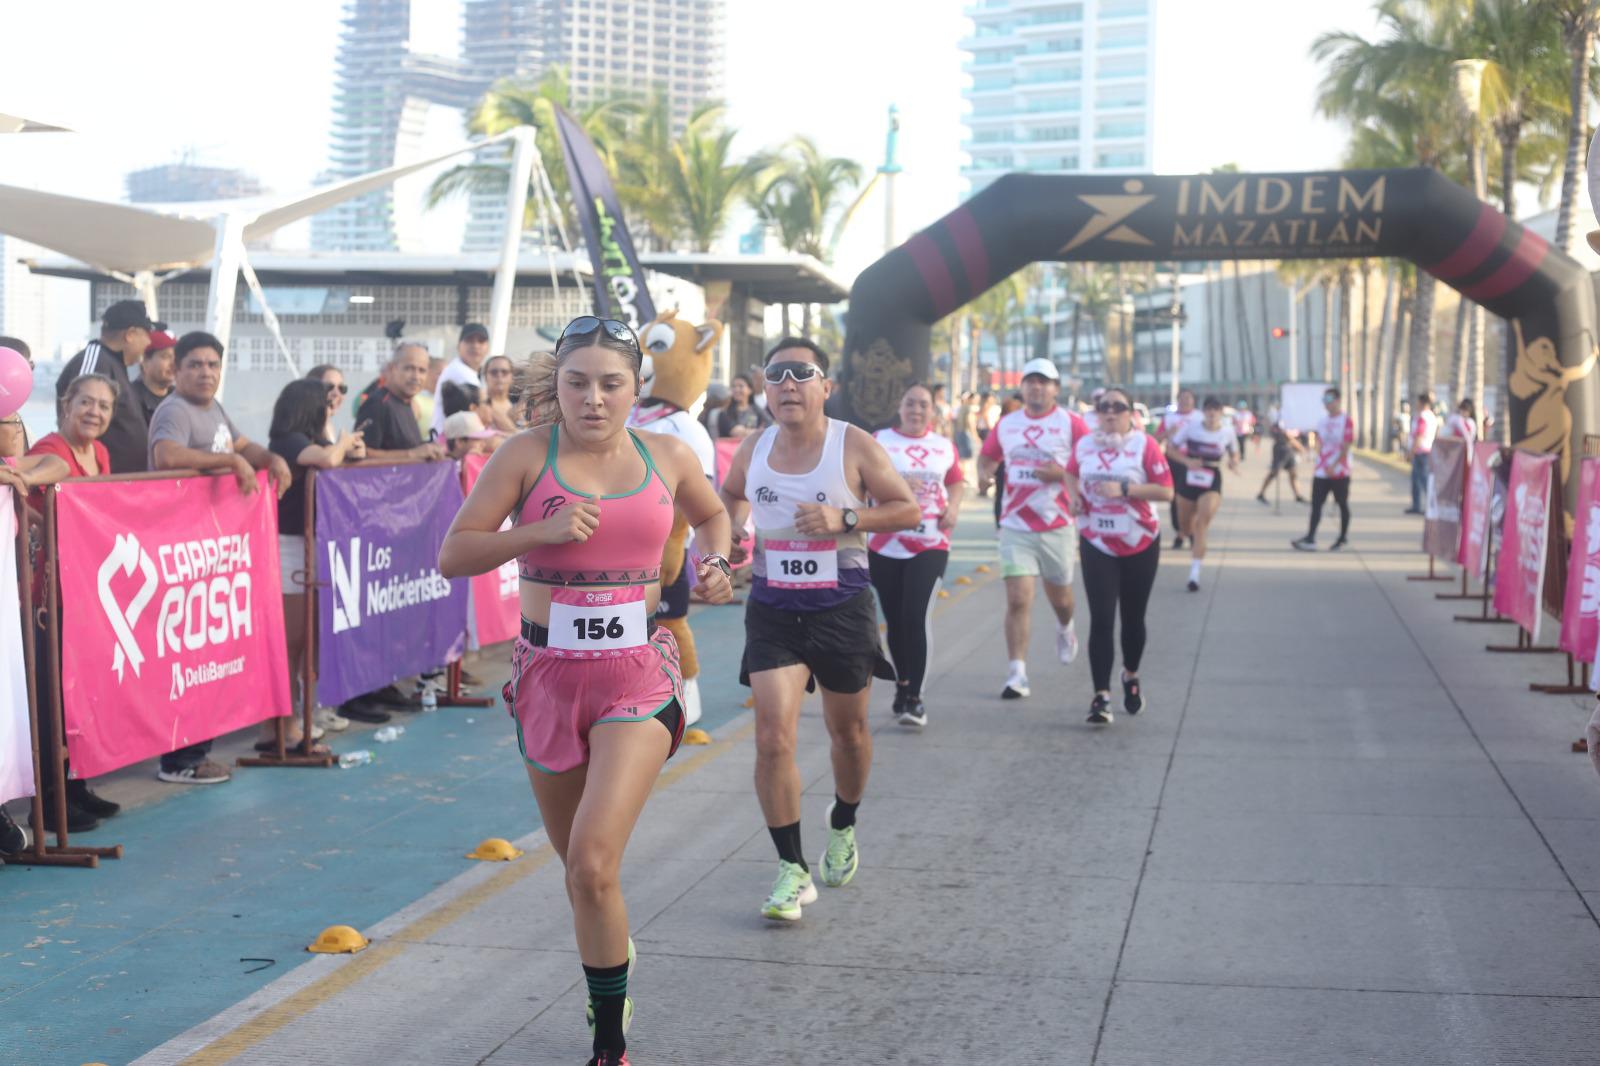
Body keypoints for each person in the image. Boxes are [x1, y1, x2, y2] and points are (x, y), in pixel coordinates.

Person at [438, 315, 733, 1066]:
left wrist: (718, 562)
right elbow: (456, 554)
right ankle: (613, 963)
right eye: (577, 383)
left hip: (637, 674)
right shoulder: (525, 455)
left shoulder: (665, 454)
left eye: (611, 384)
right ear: (557, 386)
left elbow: (713, 515)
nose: (593, 399)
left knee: (595, 862)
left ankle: (609, 1042)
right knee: (580, 874)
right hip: (544, 677)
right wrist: (539, 532)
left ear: (638, 388)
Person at [719, 336, 918, 923]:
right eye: (776, 374)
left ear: (825, 387)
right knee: (771, 736)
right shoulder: (752, 448)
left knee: (848, 734)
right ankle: (790, 868)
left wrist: (844, 518)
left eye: (801, 373)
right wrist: (733, 533)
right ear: (764, 388)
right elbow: (729, 498)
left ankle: (844, 819)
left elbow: (906, 509)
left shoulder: (852, 444)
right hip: (774, 612)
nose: (787, 385)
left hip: (842, 609)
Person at [148, 331, 291, 785]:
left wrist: (273, 459)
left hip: (213, 557)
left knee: (206, 658)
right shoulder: (174, 409)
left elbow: (244, 444)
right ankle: (178, 759)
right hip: (181, 554)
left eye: (212, 364)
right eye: (195, 364)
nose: (205, 372)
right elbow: (166, 455)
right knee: (183, 659)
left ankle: (196, 751)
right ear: (176, 369)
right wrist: (229, 463)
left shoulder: (215, 408)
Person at [21, 375, 120, 829]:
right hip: (51, 592)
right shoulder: (50, 446)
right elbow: (28, 504)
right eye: (86, 402)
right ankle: (49, 800)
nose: (94, 412)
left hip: (88, 591)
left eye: (103, 405)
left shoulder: (99, 453)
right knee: (51, 697)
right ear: (66, 403)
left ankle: (76, 785)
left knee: (79, 694)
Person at [263, 379, 367, 754]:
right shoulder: (287, 441)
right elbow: (325, 459)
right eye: (325, 402)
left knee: (307, 639)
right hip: (287, 546)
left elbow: (343, 458)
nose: (330, 407)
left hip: (310, 546)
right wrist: (340, 441)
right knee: (290, 643)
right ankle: (283, 725)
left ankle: (300, 717)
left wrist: (350, 446)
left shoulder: (308, 441)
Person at [976, 358, 1088, 700]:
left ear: (1055, 388)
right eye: (1031, 381)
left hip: (1057, 524)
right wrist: (983, 474)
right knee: (1018, 598)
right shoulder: (1008, 424)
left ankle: (1065, 626)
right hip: (1015, 524)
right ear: (1022, 387)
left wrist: (1060, 475)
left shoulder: (1072, 424)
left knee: (1062, 598)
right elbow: (987, 457)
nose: (1037, 387)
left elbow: (1091, 464)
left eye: (1044, 382)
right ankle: (1017, 674)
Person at [1064, 386, 1174, 725]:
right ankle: (1101, 696)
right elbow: (1070, 473)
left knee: (1132, 618)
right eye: (1104, 407)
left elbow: (1166, 491)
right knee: (1101, 618)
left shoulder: (1145, 445)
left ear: (1130, 414)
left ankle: (1130, 674)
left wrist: (1126, 489)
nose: (1110, 413)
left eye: (1118, 407)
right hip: (1097, 540)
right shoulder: (1085, 445)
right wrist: (1073, 497)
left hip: (1140, 540)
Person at [869, 383, 966, 728]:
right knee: (894, 620)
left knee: (915, 615)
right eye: (911, 403)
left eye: (924, 405)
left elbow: (955, 481)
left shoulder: (943, 446)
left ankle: (916, 700)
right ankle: (902, 685)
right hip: (885, 543)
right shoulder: (879, 440)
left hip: (930, 541)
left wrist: (953, 506)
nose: (917, 410)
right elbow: (861, 479)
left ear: (933, 411)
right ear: (900, 406)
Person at [55, 299, 156, 473]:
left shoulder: (115, 365)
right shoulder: (96, 359)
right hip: (100, 482)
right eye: (147, 335)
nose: (148, 343)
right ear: (130, 334)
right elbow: (74, 414)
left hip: (124, 483)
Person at [1167, 396, 1238, 592]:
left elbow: (1234, 452)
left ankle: (1194, 574)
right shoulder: (1191, 428)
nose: (1212, 413)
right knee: (1185, 525)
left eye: (1216, 409)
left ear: (1221, 412)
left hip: (1212, 477)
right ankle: (1186, 534)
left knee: (1201, 524)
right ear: (1204, 412)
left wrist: (1234, 462)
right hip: (1189, 477)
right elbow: (1171, 449)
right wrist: (1187, 461)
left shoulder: (1228, 431)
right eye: (1208, 409)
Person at [355, 343, 447, 463]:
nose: (416, 376)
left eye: (422, 370)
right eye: (409, 368)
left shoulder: (406, 402)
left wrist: (430, 449)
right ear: (393, 369)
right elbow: (359, 453)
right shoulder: (378, 404)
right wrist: (411, 454)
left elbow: (406, 446)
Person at [1292, 387, 1355, 552]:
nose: (1326, 404)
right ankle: (1311, 537)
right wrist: (1320, 460)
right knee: (1316, 504)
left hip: (1340, 470)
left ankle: (1342, 537)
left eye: (1329, 400)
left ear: (1337, 400)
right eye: (1324, 400)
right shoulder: (1322, 421)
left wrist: (1334, 465)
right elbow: (1320, 443)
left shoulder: (1346, 420)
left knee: (1342, 503)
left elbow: (1346, 445)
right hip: (1322, 469)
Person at [1157, 388, 1200, 549]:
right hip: (1174, 461)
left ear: (1193, 400)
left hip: (1194, 461)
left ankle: (1190, 531)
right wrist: (1169, 432)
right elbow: (1156, 439)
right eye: (1182, 398)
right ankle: (1180, 532)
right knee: (1175, 498)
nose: (1186, 401)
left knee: (1192, 498)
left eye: (1189, 398)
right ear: (1178, 400)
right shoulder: (1169, 419)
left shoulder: (1199, 417)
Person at [432, 323, 491, 437]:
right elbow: (487, 412)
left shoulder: (476, 372)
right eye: (469, 340)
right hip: (448, 442)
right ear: (458, 346)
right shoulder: (459, 371)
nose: (475, 345)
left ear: (487, 347)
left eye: (481, 341)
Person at [129, 331, 177, 425]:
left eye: (176, 357)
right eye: (166, 357)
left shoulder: (180, 398)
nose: (173, 364)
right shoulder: (129, 400)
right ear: (145, 361)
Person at [1257, 420, 1308, 504]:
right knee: (1274, 472)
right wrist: (1300, 447)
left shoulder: (1294, 420)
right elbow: (1287, 436)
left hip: (1289, 449)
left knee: (1293, 473)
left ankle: (1297, 495)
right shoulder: (1283, 420)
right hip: (1281, 449)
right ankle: (1261, 493)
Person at [1406, 391, 1439, 514]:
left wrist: (1411, 452)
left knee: (1423, 480)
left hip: (1421, 452)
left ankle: (1429, 507)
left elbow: (1419, 436)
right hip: (1426, 450)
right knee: (1417, 479)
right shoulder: (1431, 416)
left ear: (1421, 402)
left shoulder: (1423, 417)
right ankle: (1417, 506)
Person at [714, 371, 767, 438]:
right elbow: (736, 433)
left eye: (741, 386)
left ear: (750, 390)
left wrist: (747, 431)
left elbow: (770, 428)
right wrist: (758, 431)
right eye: (734, 386)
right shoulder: (725, 412)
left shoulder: (757, 410)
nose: (736, 390)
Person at [306, 364, 351, 440]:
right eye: (329, 386)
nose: (337, 393)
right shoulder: (303, 428)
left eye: (341, 388)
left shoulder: (327, 425)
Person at [480, 354, 520, 433]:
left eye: (504, 372)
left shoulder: (518, 409)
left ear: (512, 377)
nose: (499, 376)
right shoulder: (478, 401)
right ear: (485, 376)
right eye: (494, 372)